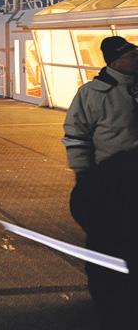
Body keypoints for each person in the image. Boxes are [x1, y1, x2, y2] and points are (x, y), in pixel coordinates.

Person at [62, 36, 138, 327]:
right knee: (109, 242)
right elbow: (76, 134)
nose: (136, 58)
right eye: (132, 55)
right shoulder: (93, 93)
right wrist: (83, 174)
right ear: (116, 60)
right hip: (111, 180)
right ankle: (109, 299)